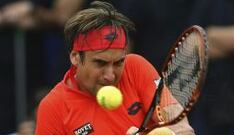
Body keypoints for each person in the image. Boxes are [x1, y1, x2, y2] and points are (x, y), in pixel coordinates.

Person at [35, 1, 195, 135]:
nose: (110, 75)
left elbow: (182, 127)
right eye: (100, 63)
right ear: (75, 57)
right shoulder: (52, 108)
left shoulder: (135, 67)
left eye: (118, 62)